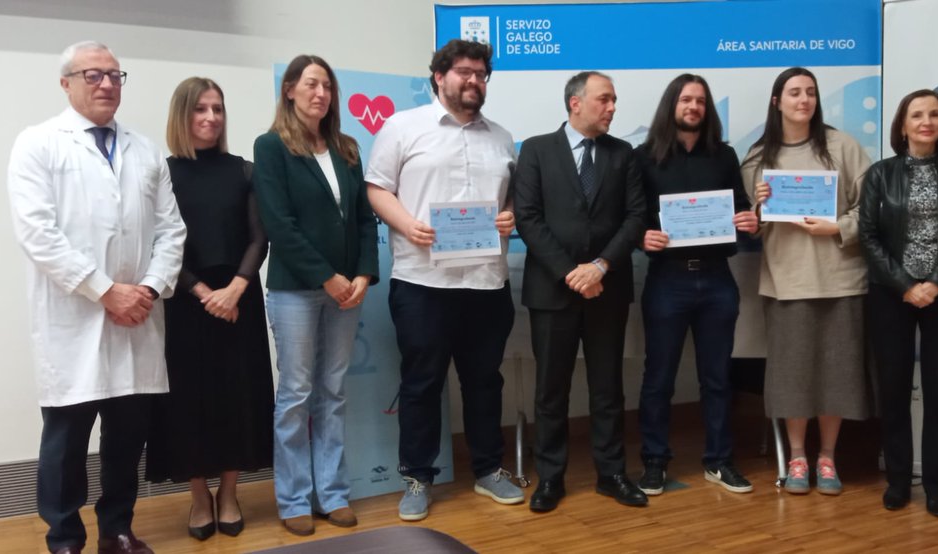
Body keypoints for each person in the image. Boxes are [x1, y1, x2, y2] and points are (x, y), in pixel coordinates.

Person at [7, 40, 186, 554]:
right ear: (66, 83)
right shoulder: (38, 143)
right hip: (75, 319)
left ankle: (118, 529)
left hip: (139, 319)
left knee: (127, 439)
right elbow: (37, 233)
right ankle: (64, 538)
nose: (107, 84)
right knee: (65, 442)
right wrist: (105, 291)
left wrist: (148, 288)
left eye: (114, 75)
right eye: (93, 75)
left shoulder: (146, 150)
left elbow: (171, 231)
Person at [365, 39, 523, 522]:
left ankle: (488, 470)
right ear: (439, 76)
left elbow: (511, 199)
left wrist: (510, 217)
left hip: (486, 281)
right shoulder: (402, 126)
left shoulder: (501, 136)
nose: (473, 80)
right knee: (421, 383)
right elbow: (376, 187)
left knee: (484, 382)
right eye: (464, 72)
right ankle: (416, 477)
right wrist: (406, 224)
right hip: (422, 281)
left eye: (481, 74)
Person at [253, 55, 379, 536]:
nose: (320, 93)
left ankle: (333, 494)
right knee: (296, 394)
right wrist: (328, 276)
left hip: (348, 290)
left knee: (333, 391)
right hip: (297, 292)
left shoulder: (346, 147)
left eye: (327, 85)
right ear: (289, 91)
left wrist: (364, 275)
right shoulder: (271, 148)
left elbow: (366, 221)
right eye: (310, 84)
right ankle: (293, 499)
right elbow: (278, 225)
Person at [144, 77, 274, 540]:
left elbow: (260, 237)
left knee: (239, 395)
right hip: (184, 301)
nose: (211, 118)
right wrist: (204, 293)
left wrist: (235, 289)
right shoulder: (161, 173)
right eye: (200, 109)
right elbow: (157, 245)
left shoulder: (245, 170)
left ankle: (231, 493)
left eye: (217, 109)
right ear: (182, 115)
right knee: (188, 401)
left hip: (240, 298)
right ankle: (199, 497)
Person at [514, 71, 647, 513]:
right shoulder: (535, 150)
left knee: (607, 387)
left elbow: (635, 217)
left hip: (607, 288)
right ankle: (551, 478)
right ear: (576, 103)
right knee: (551, 390)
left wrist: (599, 267)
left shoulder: (623, 153)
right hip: (553, 290)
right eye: (604, 100)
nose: (612, 108)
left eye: (614, 101)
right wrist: (572, 272)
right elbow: (528, 219)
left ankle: (612, 474)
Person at [744, 67, 872, 496]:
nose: (804, 100)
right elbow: (751, 227)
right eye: (794, 93)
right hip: (787, 280)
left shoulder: (842, 146)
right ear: (777, 101)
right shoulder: (758, 158)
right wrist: (758, 210)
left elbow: (871, 208)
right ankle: (797, 456)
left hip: (840, 278)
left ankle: (828, 456)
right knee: (793, 375)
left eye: (811, 93)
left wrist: (837, 228)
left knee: (837, 374)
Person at [633, 74, 758, 496]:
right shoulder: (645, 156)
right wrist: (641, 237)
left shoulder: (723, 155)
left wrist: (748, 219)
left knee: (718, 377)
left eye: (700, 101)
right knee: (659, 378)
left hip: (717, 280)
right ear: (672, 105)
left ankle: (719, 462)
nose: (693, 107)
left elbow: (740, 206)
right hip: (667, 280)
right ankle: (654, 463)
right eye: (686, 100)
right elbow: (631, 216)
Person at [858, 89, 938, 517]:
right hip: (892, 296)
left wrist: (936, 283)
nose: (926, 122)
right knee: (892, 392)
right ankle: (897, 480)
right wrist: (906, 284)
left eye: (934, 115)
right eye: (917, 115)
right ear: (903, 124)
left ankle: (936, 486)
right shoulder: (880, 174)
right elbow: (868, 236)